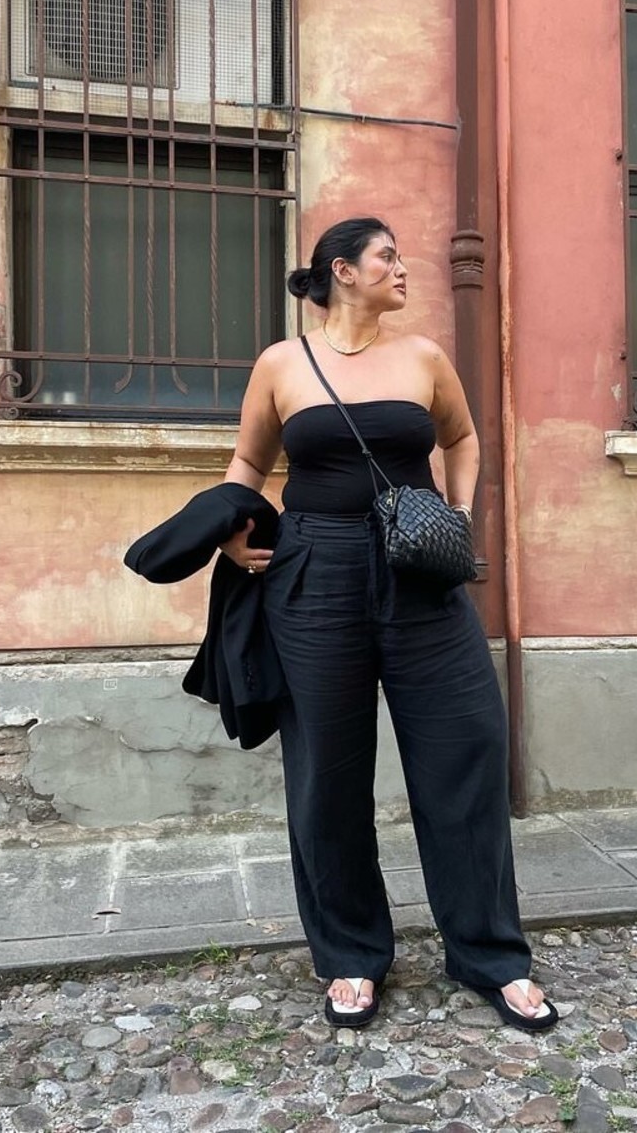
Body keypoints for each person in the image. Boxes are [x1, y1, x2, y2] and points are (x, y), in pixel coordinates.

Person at [219, 215, 557, 1032]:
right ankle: (351, 955)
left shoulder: (424, 358)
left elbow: (463, 438)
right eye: (387, 257)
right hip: (315, 575)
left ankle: (490, 955)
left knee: (467, 749)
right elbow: (250, 461)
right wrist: (233, 525)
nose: (404, 269)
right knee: (327, 775)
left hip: (419, 574)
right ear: (343, 270)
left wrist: (458, 514)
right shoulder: (282, 364)